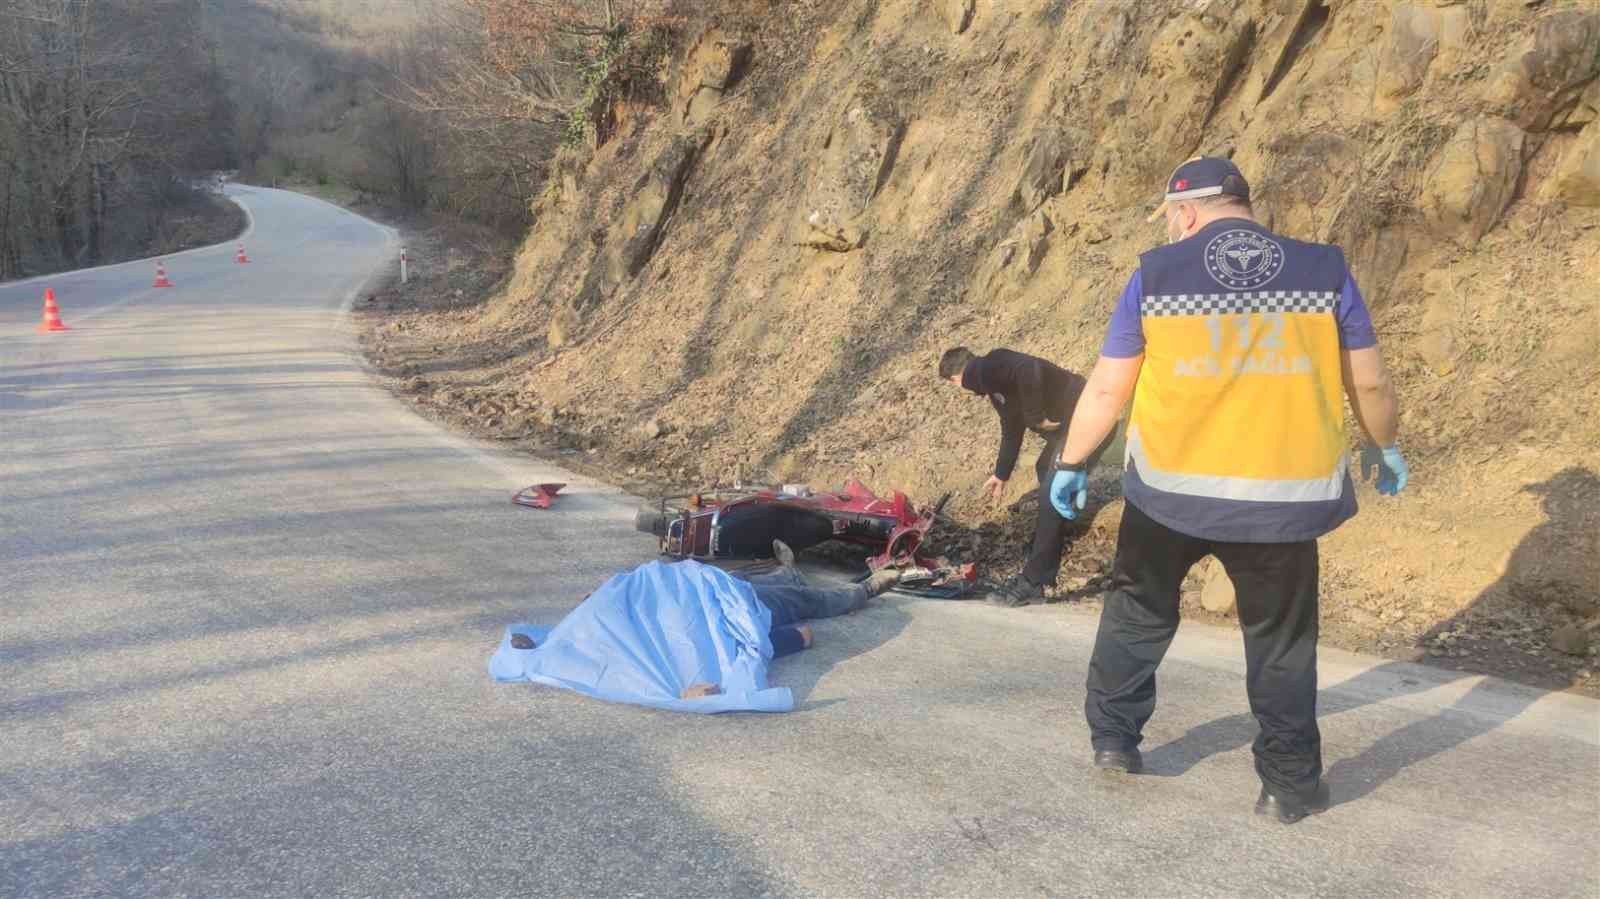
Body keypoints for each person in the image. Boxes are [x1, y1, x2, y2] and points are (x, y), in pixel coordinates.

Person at [1045, 157, 1407, 824]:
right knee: (1280, 642)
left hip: (1168, 494)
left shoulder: (1156, 276)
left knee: (1138, 612)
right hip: (1283, 502)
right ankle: (1288, 786)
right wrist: (1383, 447)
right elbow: (1372, 384)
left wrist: (1070, 460)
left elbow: (1106, 388)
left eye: (1171, 219)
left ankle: (1115, 741)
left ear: (1184, 212)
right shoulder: (1323, 270)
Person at [939, 346, 1097, 606]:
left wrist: (1036, 418)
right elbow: (1012, 430)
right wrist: (1001, 475)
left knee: (1051, 487)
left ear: (957, 378)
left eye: (956, 384)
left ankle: (1035, 581)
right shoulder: (997, 387)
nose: (962, 388)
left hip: (1087, 417)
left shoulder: (986, 366)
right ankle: (1052, 539)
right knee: (1044, 469)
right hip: (1077, 421)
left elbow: (1029, 367)